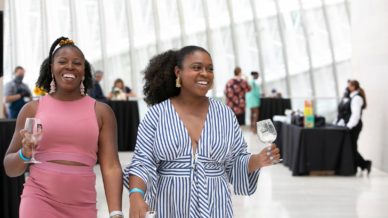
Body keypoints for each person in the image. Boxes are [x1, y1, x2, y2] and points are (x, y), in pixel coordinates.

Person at [123, 46, 281, 217]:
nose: (205, 73)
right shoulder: (157, 115)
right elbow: (142, 162)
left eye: (210, 69)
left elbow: (236, 162)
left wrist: (258, 160)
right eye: (197, 67)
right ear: (178, 72)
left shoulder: (224, 114)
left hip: (216, 207)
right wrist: (136, 195)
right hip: (169, 207)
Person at [3, 37, 123, 218]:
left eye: (77, 63)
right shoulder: (32, 109)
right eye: (62, 61)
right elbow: (10, 168)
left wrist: (116, 213)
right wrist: (25, 153)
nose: (70, 66)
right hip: (38, 200)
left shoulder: (102, 112)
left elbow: (111, 166)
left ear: (84, 71)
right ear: (51, 67)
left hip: (83, 205)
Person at [335, 79, 372, 175]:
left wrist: (349, 126)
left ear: (354, 87)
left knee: (351, 147)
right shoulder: (349, 97)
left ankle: (364, 164)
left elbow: (356, 115)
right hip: (348, 125)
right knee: (350, 147)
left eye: (349, 86)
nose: (347, 88)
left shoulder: (357, 98)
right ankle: (361, 165)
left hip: (354, 126)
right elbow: (342, 113)